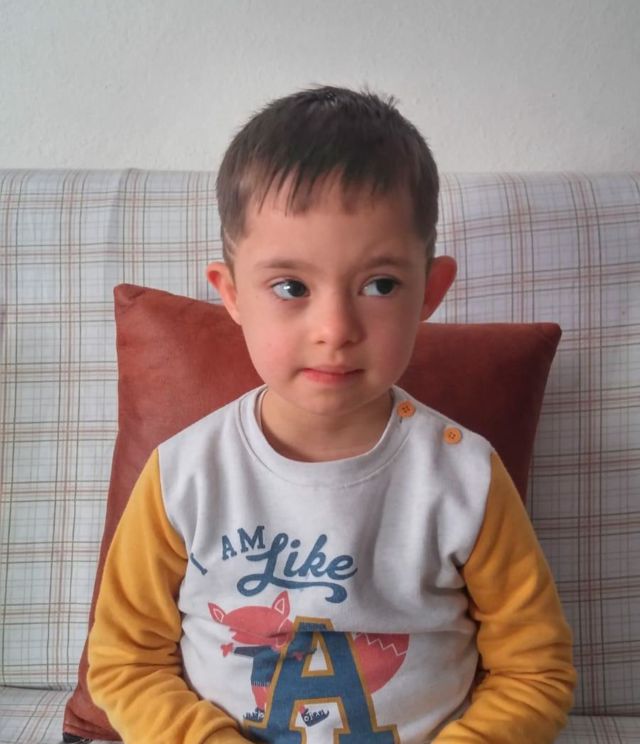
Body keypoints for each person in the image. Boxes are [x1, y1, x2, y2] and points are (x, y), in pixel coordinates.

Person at [87, 85, 576, 743]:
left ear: (429, 292)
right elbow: (126, 663)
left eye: (380, 284)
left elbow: (535, 671)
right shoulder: (183, 476)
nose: (336, 329)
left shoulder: (465, 476)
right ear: (232, 295)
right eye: (291, 286)